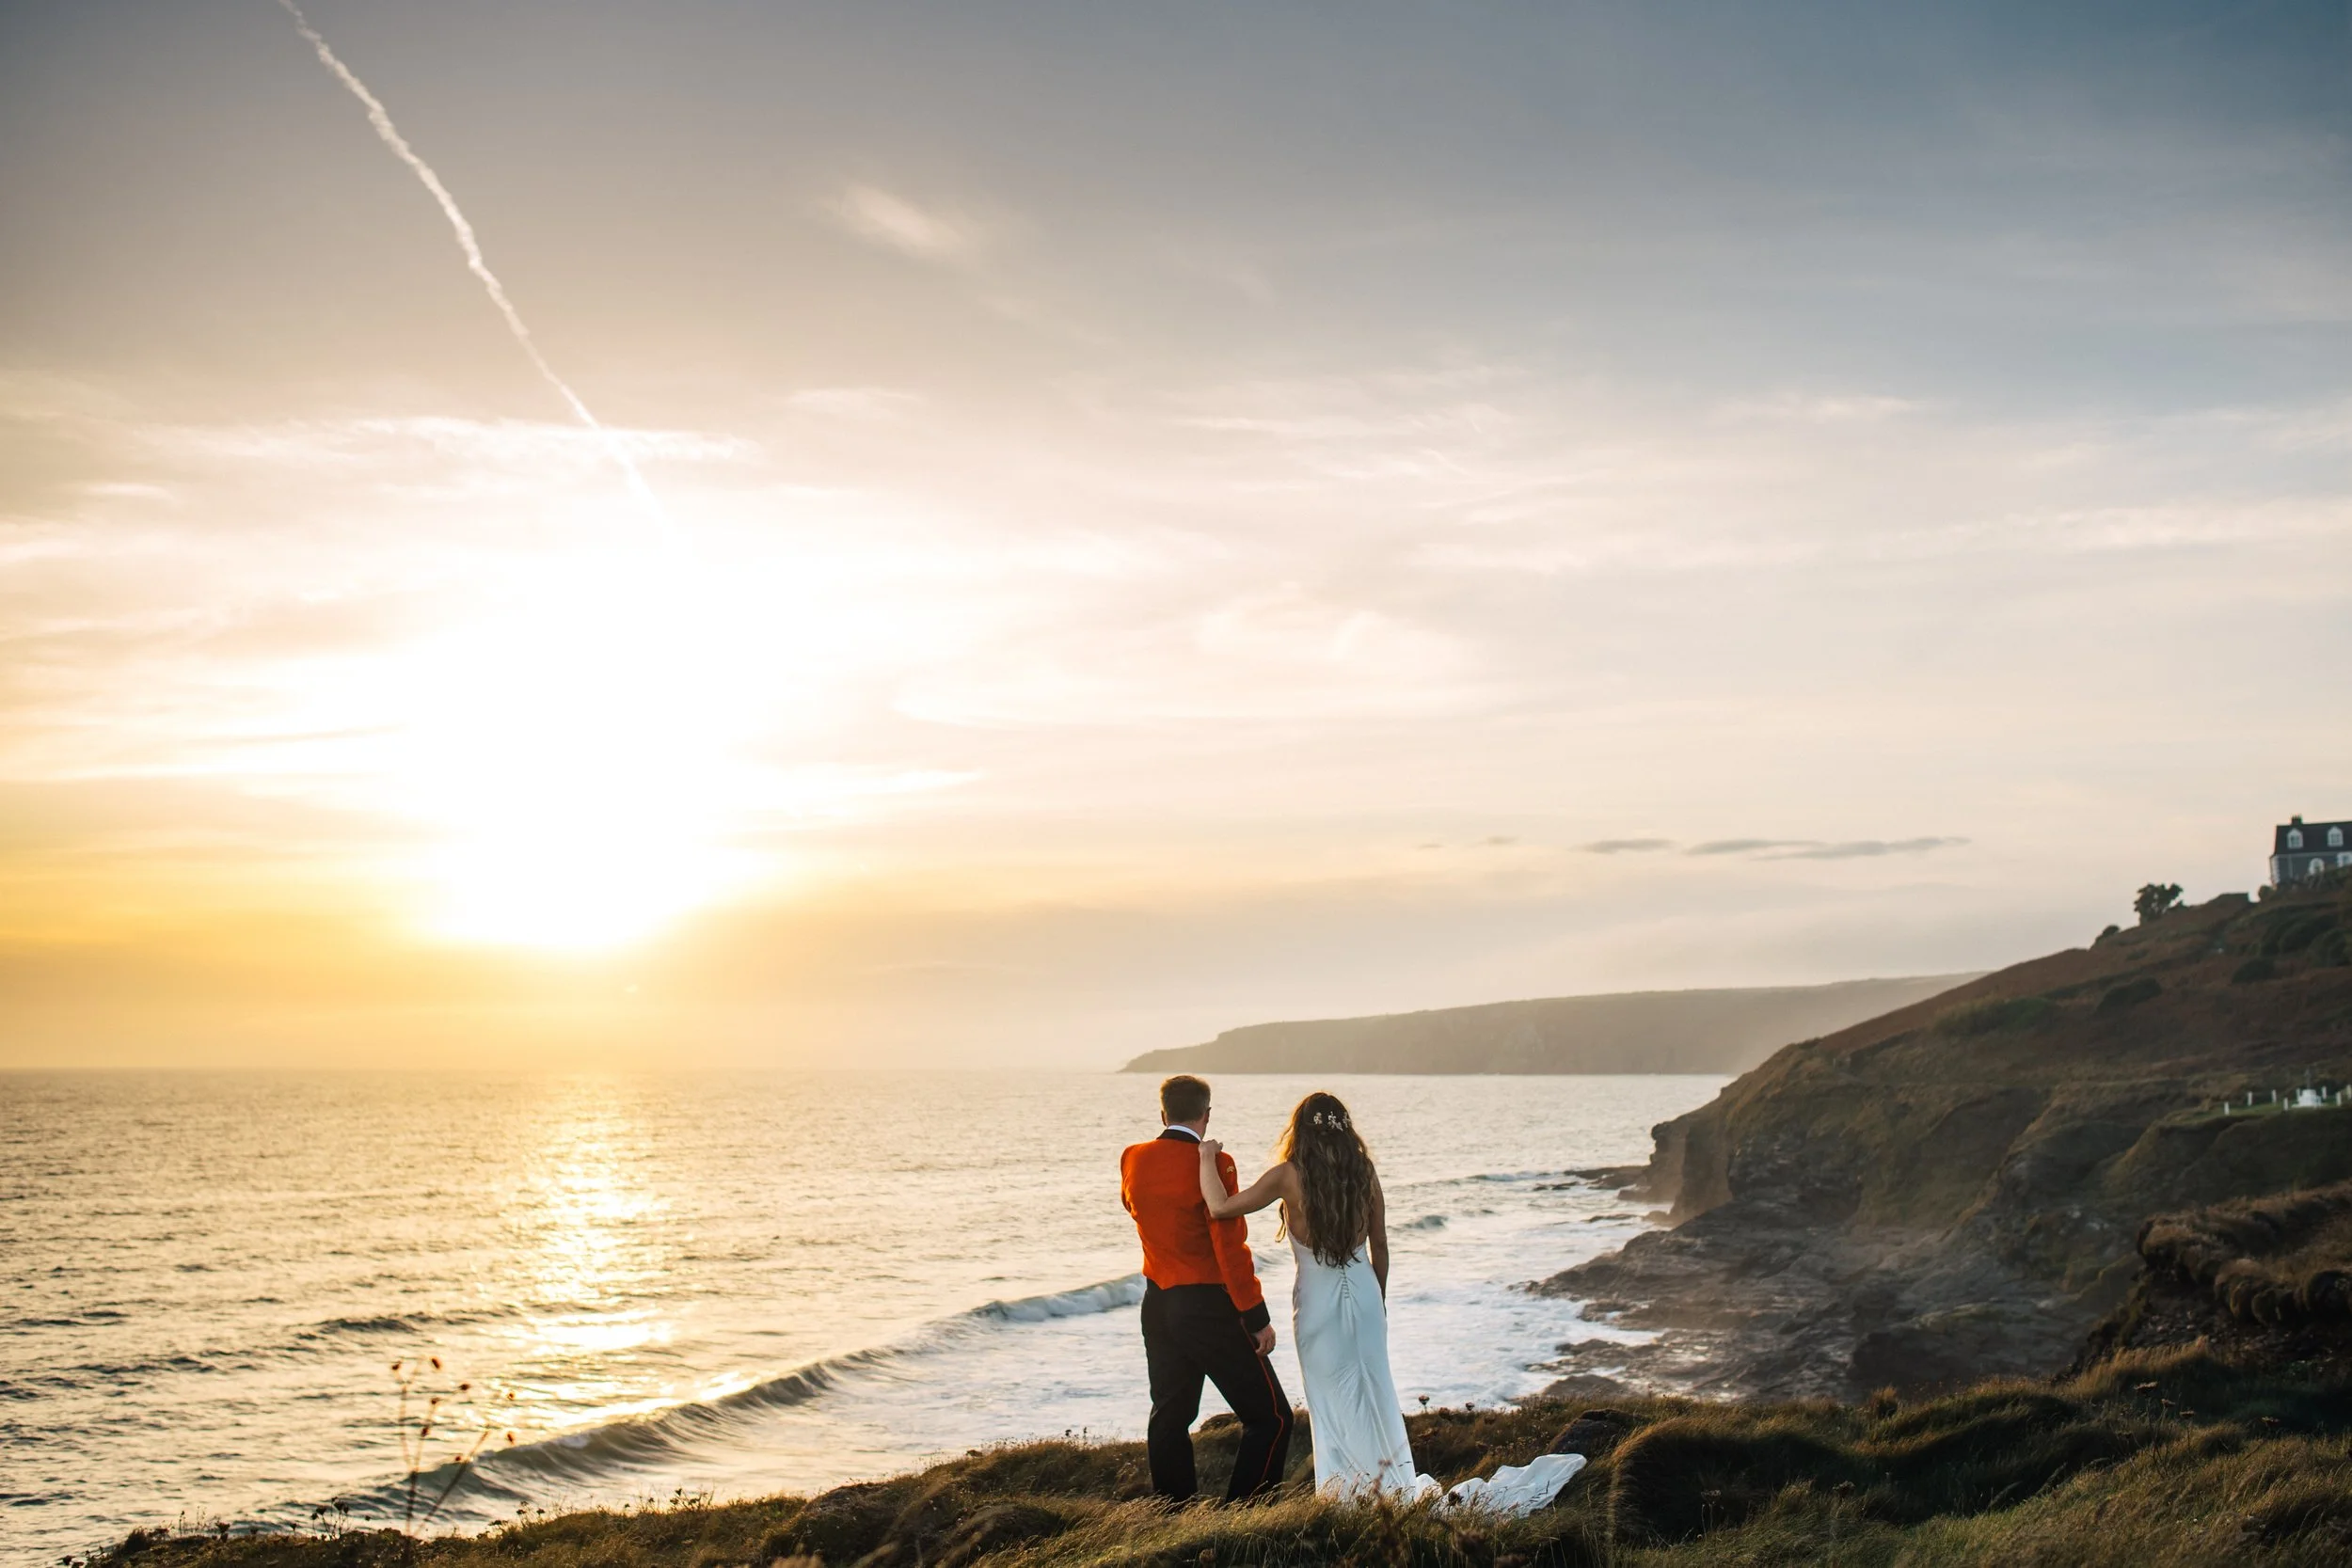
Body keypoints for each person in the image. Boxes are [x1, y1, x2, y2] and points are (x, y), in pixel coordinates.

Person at [1200, 1092, 1583, 1513]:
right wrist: (1375, 1302)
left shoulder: (1288, 1176)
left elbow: (1220, 1208)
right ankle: (1388, 1486)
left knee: (1332, 1401)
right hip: (1364, 1294)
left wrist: (1206, 1156)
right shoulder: (1363, 1171)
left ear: (1301, 1129)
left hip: (1317, 1305)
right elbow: (1379, 1246)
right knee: (1374, 1392)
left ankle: (1346, 1497)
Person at [1120, 1074, 1295, 1504]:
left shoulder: (1133, 1157)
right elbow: (1229, 1247)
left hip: (1157, 1301)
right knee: (1271, 1418)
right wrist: (1257, 1318)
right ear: (1207, 1114)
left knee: (1171, 1416)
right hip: (1207, 1306)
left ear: (1163, 1113)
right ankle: (1246, 1512)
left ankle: (1172, 1512)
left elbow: (1132, 1208)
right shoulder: (1216, 1164)